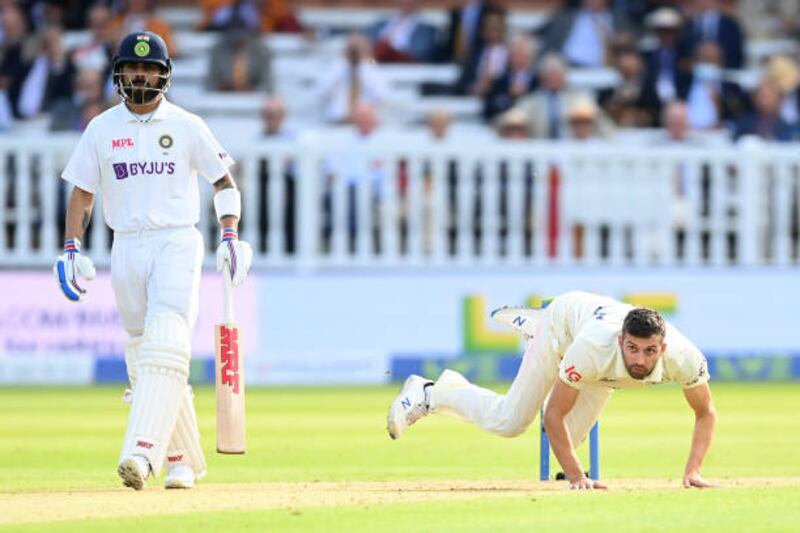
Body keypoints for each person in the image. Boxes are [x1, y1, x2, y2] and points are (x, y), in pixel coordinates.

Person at [52, 31, 253, 491]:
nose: (140, 75)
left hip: (176, 241)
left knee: (167, 338)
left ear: (164, 75)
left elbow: (225, 183)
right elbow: (82, 192)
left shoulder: (186, 124)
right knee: (146, 353)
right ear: (119, 74)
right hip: (126, 244)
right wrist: (70, 247)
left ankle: (141, 453)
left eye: (149, 69)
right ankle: (183, 460)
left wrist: (229, 235)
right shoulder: (101, 128)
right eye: (132, 68)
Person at [387, 291, 716, 491]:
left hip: (600, 363)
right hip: (565, 330)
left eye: (649, 351)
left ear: (663, 348)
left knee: (566, 443)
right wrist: (577, 477)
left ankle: (533, 325)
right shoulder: (592, 349)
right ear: (621, 341)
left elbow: (705, 412)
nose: (640, 359)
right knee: (510, 422)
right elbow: (554, 416)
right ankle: (432, 393)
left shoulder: (685, 358)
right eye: (632, 348)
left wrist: (693, 470)